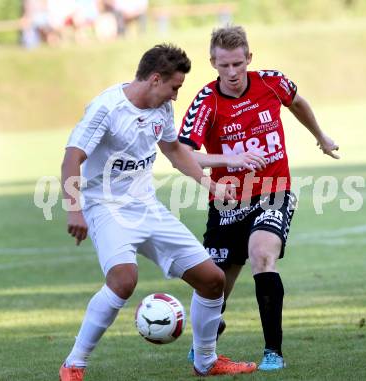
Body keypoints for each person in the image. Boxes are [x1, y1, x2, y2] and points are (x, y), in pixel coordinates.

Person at [59, 43, 257, 380]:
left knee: (212, 280)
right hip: (107, 209)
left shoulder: (161, 108)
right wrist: (74, 209)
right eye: (174, 87)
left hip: (147, 206)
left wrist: (209, 184)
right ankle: (74, 364)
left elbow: (175, 150)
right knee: (123, 281)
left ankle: (206, 362)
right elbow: (71, 158)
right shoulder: (106, 109)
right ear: (154, 79)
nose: (176, 96)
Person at [179, 25, 339, 371]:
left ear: (248, 58)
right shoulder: (206, 102)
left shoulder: (272, 82)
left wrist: (321, 136)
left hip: (273, 192)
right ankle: (206, 343)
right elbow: (184, 154)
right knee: (216, 282)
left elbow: (297, 102)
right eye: (224, 66)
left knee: (262, 254)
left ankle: (273, 352)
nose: (233, 73)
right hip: (227, 202)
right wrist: (227, 160)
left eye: (238, 63)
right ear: (213, 63)